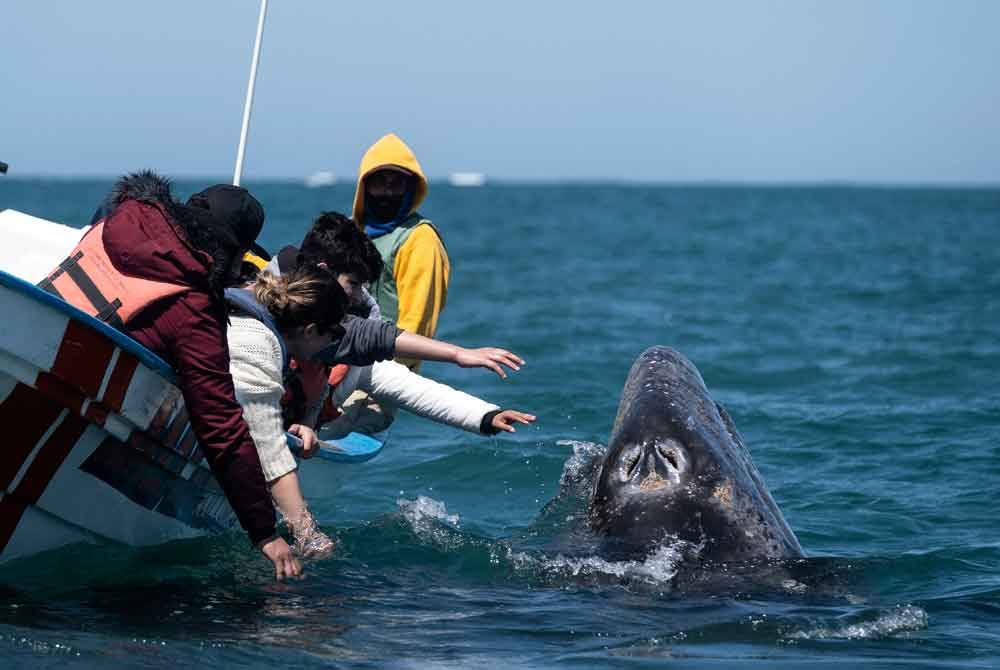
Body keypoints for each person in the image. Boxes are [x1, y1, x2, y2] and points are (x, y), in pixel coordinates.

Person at [39, 171, 298, 580]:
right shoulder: (194, 307)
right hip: (56, 408)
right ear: (233, 251)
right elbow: (221, 426)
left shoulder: (115, 222)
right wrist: (265, 532)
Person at [224, 265, 529, 553]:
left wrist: (484, 415)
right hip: (250, 433)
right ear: (311, 329)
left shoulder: (306, 330)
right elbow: (267, 445)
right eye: (333, 335)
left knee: (368, 413)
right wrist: (307, 533)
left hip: (287, 426)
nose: (337, 344)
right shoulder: (254, 344)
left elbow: (405, 379)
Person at [260, 211, 535, 440]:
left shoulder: (344, 335)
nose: (357, 296)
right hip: (246, 424)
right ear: (322, 270)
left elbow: (402, 380)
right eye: (353, 284)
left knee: (375, 410)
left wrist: (484, 416)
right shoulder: (251, 317)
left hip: (296, 429)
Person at [353, 133, 448, 370]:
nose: (387, 193)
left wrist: (390, 371)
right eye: (379, 183)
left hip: (385, 370)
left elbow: (417, 321)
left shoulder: (419, 238)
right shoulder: (349, 232)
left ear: (410, 188)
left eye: (396, 184)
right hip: (337, 363)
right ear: (364, 186)